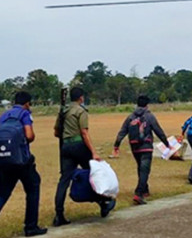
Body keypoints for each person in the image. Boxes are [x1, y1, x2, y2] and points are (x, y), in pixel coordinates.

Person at [53, 87, 115, 226]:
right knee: (95, 174)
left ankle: (59, 214)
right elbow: (84, 133)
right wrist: (93, 152)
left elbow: (56, 132)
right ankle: (103, 202)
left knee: (64, 180)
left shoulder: (63, 111)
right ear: (81, 98)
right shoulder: (81, 111)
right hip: (79, 145)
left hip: (66, 147)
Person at [0, 92, 47, 237]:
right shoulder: (24, 114)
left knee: (3, 192)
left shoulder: (4, 115)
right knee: (33, 187)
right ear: (27, 103)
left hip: (4, 160)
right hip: (22, 161)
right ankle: (31, 226)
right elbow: (29, 135)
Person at [111, 95, 170, 205]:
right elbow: (158, 130)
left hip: (134, 147)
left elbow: (122, 131)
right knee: (145, 170)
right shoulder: (149, 116)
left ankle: (145, 190)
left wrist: (116, 145)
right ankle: (138, 193)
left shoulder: (130, 117)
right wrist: (166, 143)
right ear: (147, 105)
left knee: (141, 168)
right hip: (146, 146)